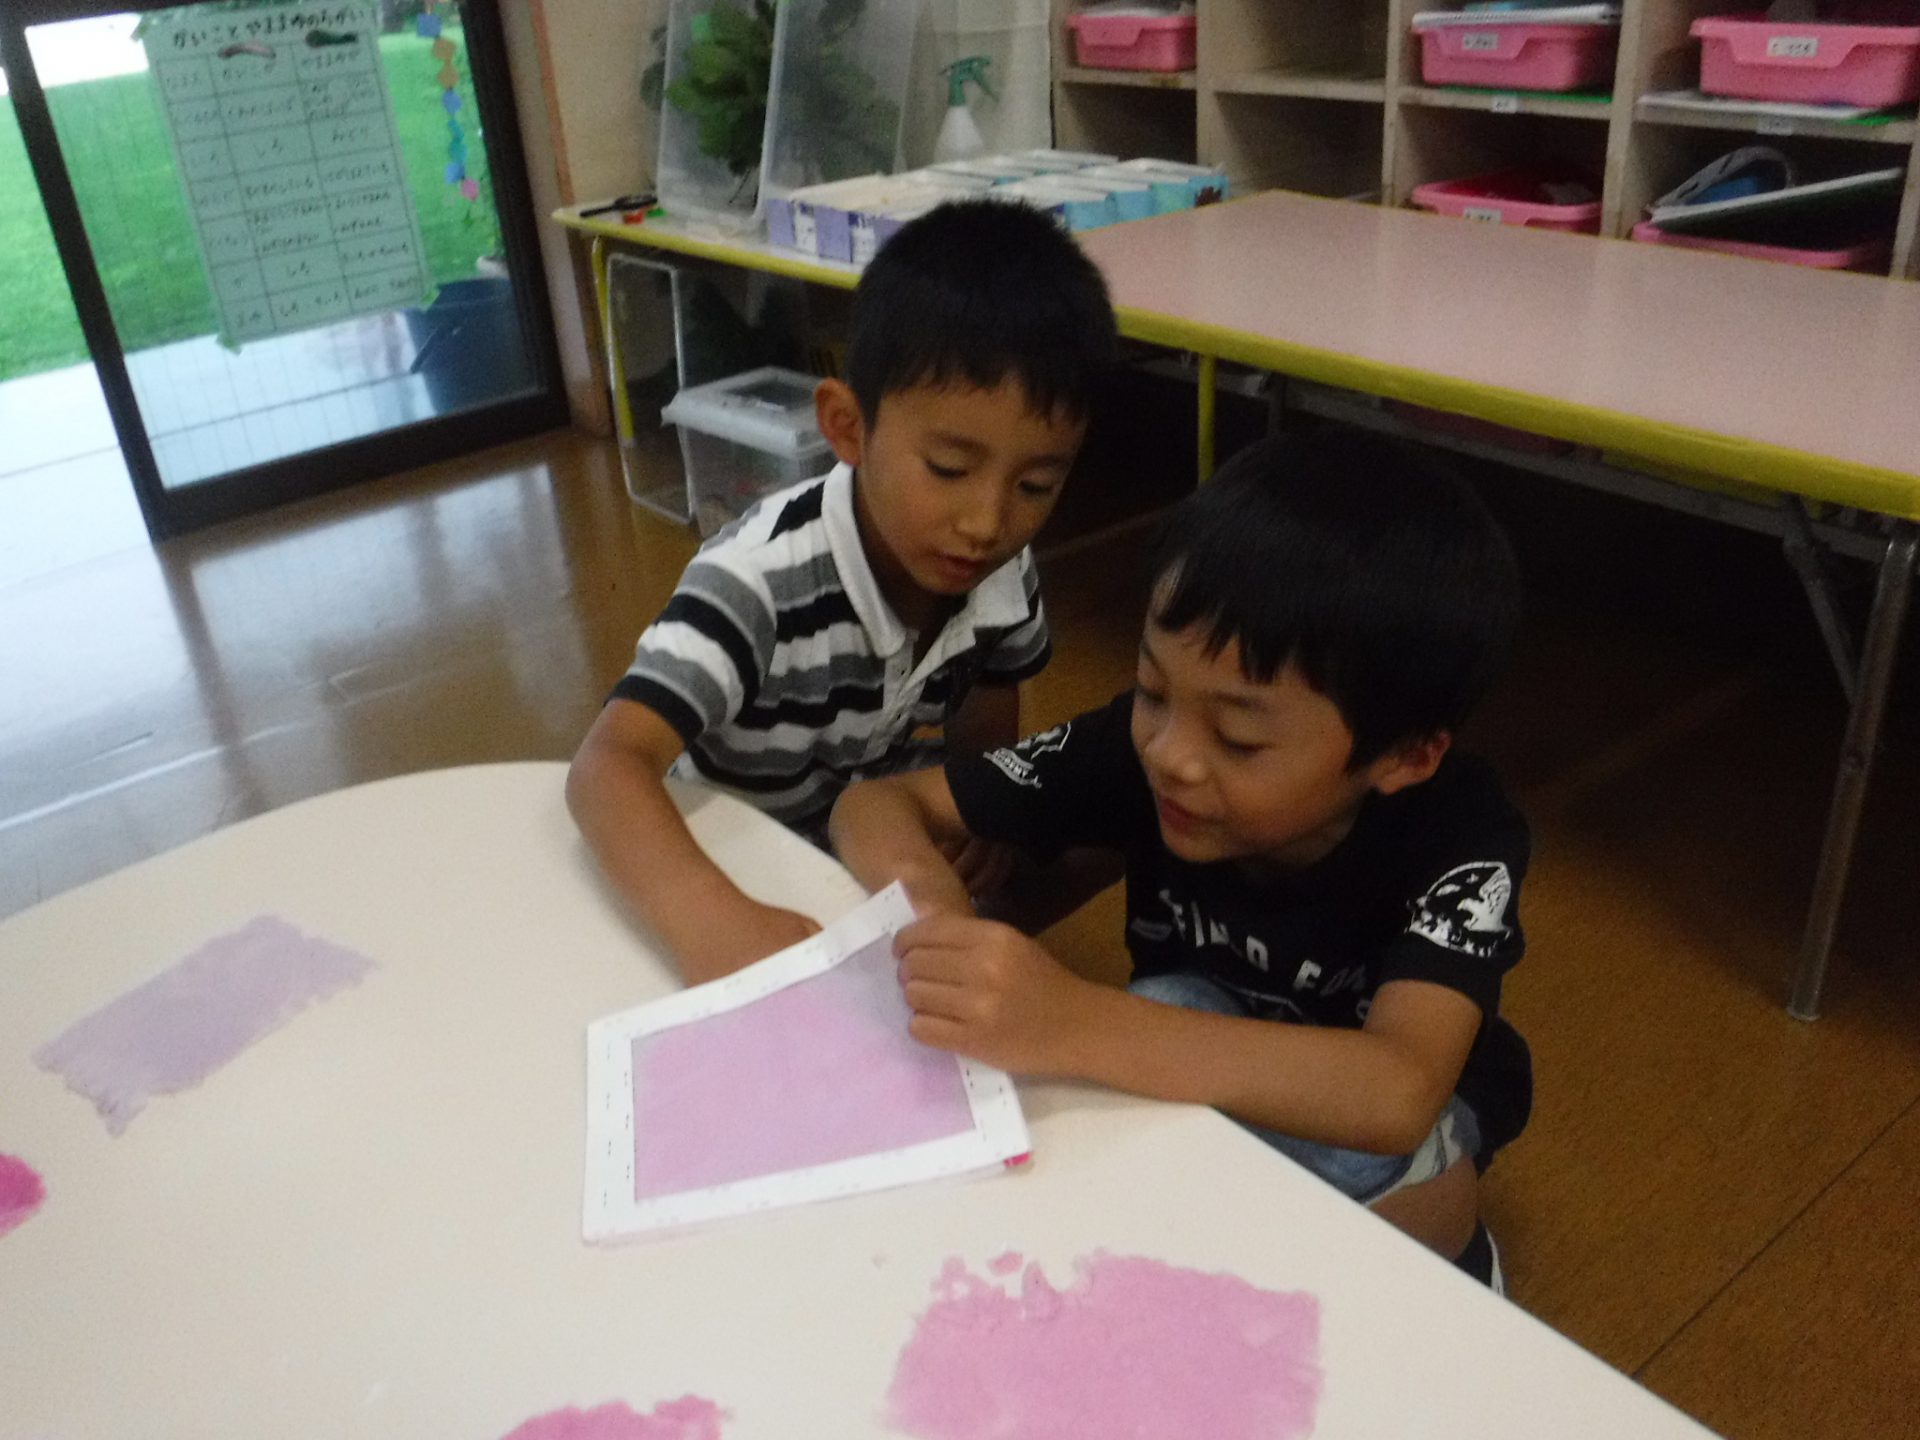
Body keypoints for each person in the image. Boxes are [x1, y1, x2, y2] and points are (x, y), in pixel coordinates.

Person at [829, 428, 1531, 1288]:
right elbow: (874, 805)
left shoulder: (1459, 835)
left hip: (1367, 1098)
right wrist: (944, 925)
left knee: (1402, 1194)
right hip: (1193, 1031)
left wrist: (1073, 1020)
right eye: (1154, 689)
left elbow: (1396, 1089)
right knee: (1153, 1022)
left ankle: (1455, 1257)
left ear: (1406, 755)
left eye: (1238, 738)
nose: (1170, 755)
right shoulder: (1142, 749)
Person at [569, 199, 1118, 984]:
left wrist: (980, 814)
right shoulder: (754, 582)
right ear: (848, 427)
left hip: (870, 851)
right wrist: (711, 920)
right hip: (732, 863)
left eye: (1035, 484)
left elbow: (986, 719)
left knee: (1091, 829)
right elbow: (606, 765)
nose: (988, 523)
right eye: (949, 469)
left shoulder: (1003, 573)